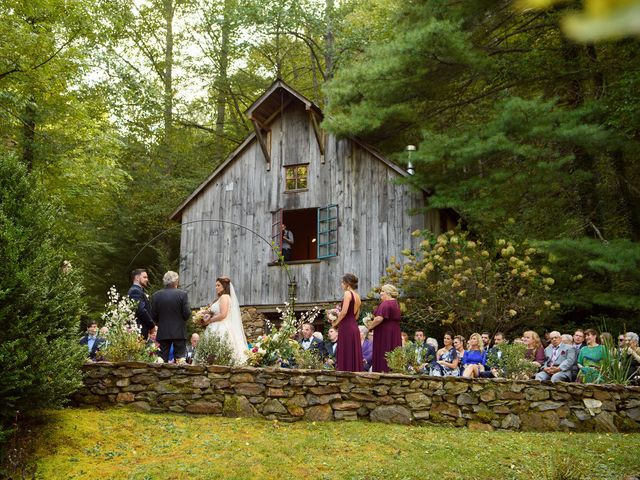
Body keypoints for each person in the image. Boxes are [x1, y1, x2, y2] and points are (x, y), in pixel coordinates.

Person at [202, 276, 249, 365]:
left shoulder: (224, 297)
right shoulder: (221, 298)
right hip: (216, 325)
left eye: (218, 285)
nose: (216, 287)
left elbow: (223, 315)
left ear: (224, 286)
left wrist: (209, 320)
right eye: (216, 285)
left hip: (221, 326)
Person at [151, 271, 191, 364]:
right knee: (180, 359)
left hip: (163, 331)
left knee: (161, 359)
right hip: (179, 331)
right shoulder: (182, 294)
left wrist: (160, 322)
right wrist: (181, 320)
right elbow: (187, 313)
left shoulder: (156, 295)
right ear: (176, 282)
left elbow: (153, 315)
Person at [331, 273, 363, 372]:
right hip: (354, 326)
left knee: (346, 351)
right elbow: (356, 315)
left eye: (342, 282)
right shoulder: (357, 296)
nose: (341, 284)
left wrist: (335, 322)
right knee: (352, 352)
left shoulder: (347, 293)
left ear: (347, 283)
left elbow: (344, 312)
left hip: (346, 327)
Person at [368, 284, 402, 373]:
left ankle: (382, 371)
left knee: (384, 351)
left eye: (382, 291)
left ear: (388, 293)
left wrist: (370, 326)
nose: (381, 293)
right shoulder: (396, 304)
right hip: (395, 331)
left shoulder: (386, 303)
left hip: (385, 333)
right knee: (393, 350)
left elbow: (379, 318)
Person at [128, 268, 155, 339]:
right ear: (137, 278)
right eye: (144, 277)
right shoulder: (135, 291)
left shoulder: (138, 291)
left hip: (141, 329)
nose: (147, 279)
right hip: (138, 330)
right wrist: (151, 325)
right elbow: (141, 310)